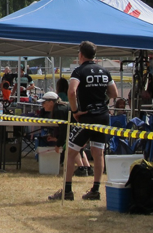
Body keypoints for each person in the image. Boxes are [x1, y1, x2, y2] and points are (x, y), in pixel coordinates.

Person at [49, 41, 118, 201]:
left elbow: (71, 92)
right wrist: (101, 99)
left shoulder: (79, 71)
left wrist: (75, 111)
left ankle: (67, 191)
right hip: (103, 116)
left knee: (70, 152)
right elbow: (114, 93)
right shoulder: (104, 71)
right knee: (98, 153)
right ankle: (95, 190)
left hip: (87, 116)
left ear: (80, 54)